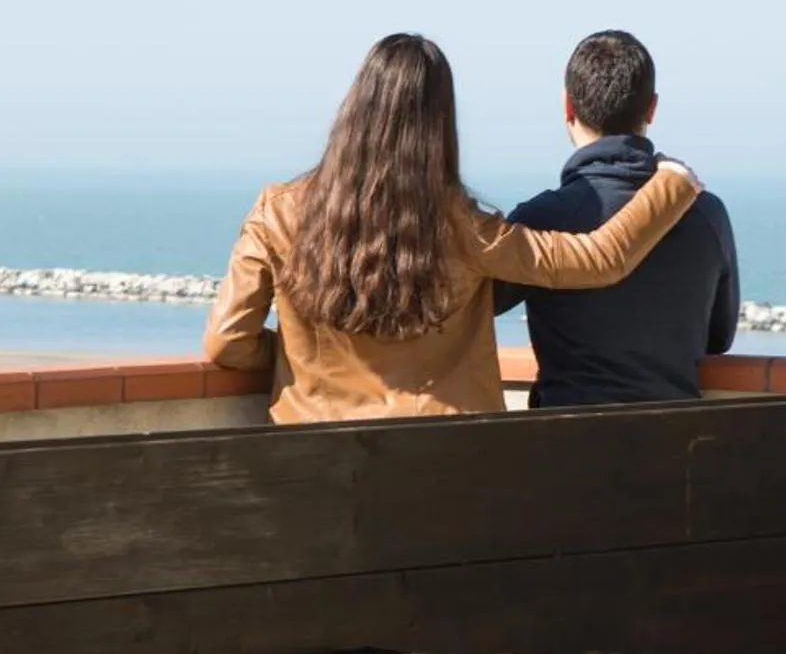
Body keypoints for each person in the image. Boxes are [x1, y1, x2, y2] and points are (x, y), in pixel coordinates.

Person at [205, 32, 703, 423]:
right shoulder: (463, 227)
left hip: (312, 454)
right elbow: (599, 260)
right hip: (447, 458)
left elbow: (228, 342)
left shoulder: (277, 212)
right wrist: (672, 183)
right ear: (440, 125)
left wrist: (298, 353)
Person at [495, 30, 739, 407]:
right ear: (652, 108)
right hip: (674, 444)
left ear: (567, 106)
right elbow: (719, 338)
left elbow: (473, 313)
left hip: (563, 442)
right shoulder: (707, 213)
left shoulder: (539, 218)